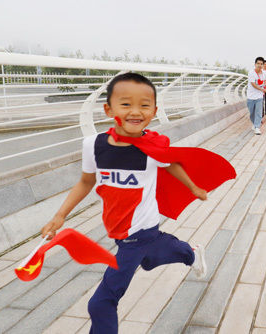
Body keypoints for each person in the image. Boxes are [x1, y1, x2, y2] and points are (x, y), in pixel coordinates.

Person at [40, 73, 208, 334]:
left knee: (101, 303)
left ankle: (185, 252)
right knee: (150, 259)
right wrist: (60, 215)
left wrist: (194, 187)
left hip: (138, 233)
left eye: (144, 105)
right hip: (120, 232)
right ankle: (190, 253)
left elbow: (171, 163)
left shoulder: (152, 147)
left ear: (154, 110)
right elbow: (86, 182)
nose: (135, 111)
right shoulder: (93, 145)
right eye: (126, 104)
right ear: (109, 109)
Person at [247, 57, 266, 134]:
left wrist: (265, 85)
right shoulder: (251, 72)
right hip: (251, 96)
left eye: (261, 64)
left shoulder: (264, 73)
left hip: (259, 96)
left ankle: (257, 127)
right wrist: (262, 89)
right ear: (255, 64)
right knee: (252, 112)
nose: (259, 65)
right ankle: (254, 124)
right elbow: (253, 84)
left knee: (258, 112)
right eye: (258, 63)